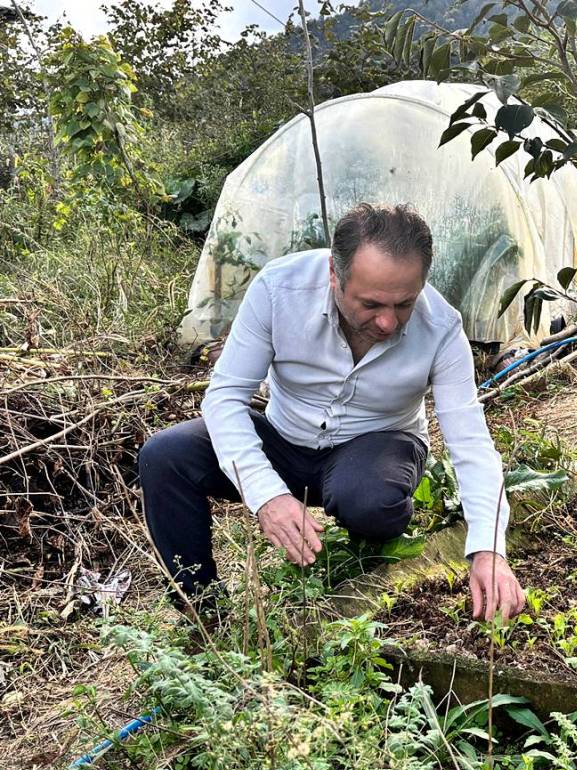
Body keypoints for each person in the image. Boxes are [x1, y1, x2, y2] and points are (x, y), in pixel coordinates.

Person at [139, 203, 526, 622]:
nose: (387, 323)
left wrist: (487, 548)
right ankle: (201, 610)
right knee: (165, 456)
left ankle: (366, 559)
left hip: (378, 445)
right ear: (334, 275)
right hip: (285, 436)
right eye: (372, 303)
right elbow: (225, 397)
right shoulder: (278, 290)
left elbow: (470, 442)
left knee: (368, 498)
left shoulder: (442, 328)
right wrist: (267, 493)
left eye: (404, 305)